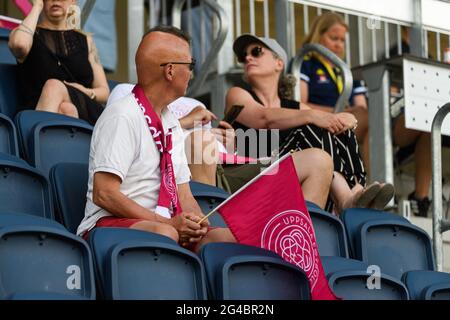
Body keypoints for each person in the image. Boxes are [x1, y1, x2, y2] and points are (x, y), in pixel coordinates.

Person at [77, 26, 239, 252]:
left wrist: (197, 222)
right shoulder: (122, 115)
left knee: (226, 239)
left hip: (162, 224)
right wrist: (168, 223)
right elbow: (104, 193)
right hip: (108, 226)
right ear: (170, 71)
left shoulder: (170, 120)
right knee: (166, 234)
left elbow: (183, 193)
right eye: (190, 65)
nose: (192, 73)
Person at [226, 33, 395, 214]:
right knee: (312, 126)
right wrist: (316, 116)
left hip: (290, 177)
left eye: (256, 51)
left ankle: (354, 191)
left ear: (279, 63)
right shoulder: (237, 94)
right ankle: (345, 200)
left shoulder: (296, 108)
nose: (248, 58)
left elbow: (325, 122)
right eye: (243, 56)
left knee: (335, 131)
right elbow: (263, 118)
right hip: (254, 175)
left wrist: (345, 121)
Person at [106, 83, 336, 210]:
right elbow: (132, 134)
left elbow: (228, 152)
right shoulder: (127, 93)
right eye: (183, 62)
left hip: (227, 167)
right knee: (201, 141)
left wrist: (231, 145)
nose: (189, 70)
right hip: (187, 168)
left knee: (319, 160)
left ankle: (303, 245)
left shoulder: (194, 102)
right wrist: (186, 122)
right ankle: (209, 232)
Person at [8, 0, 109, 125]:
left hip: (85, 109)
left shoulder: (86, 40)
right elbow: (19, 45)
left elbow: (104, 91)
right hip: (38, 107)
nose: (55, 0)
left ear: (73, 1)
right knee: (67, 109)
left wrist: (85, 91)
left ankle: (36, 140)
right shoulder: (27, 35)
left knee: (54, 86)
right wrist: (37, 6)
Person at [300, 12, 370, 172]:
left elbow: (361, 108)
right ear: (318, 36)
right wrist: (335, 112)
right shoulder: (305, 64)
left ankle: (371, 180)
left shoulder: (347, 71)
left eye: (342, 40)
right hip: (317, 123)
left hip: (349, 122)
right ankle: (370, 180)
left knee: (373, 120)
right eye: (334, 38)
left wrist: (346, 113)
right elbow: (299, 103)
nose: (339, 44)